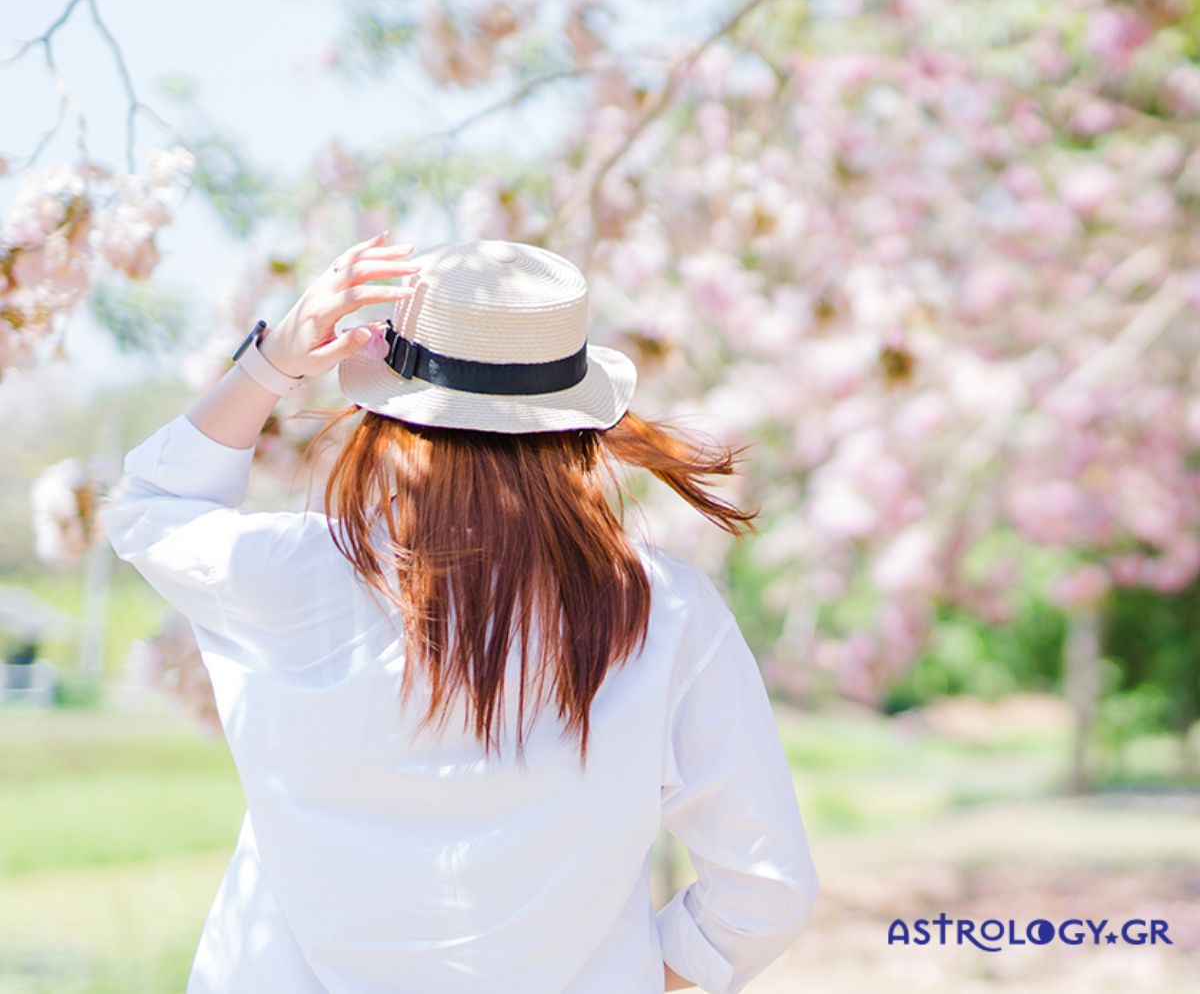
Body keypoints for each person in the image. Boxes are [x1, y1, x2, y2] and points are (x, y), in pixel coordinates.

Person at [99, 235, 819, 994]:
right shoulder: (661, 611)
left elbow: (149, 506)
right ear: (575, 426)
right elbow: (764, 891)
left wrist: (272, 361)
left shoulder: (294, 575)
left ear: (384, 413)